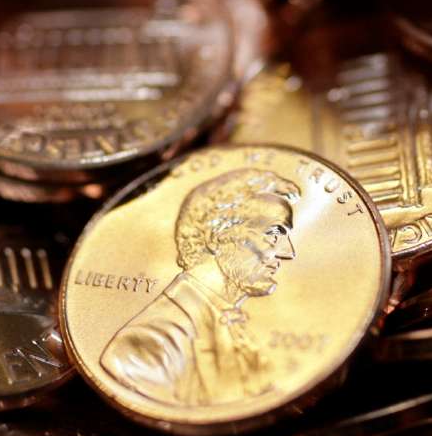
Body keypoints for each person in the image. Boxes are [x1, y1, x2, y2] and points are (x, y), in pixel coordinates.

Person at [100, 168, 300, 406]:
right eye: (274, 233)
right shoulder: (149, 344)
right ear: (217, 235)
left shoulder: (231, 327)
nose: (289, 252)